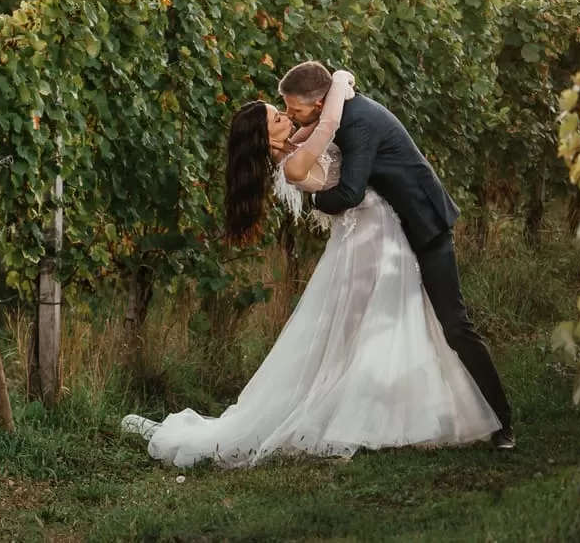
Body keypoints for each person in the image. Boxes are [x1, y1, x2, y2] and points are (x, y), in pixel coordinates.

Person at [120, 69, 504, 469]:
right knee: (365, 332)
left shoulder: (295, 145)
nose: (288, 117)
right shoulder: (293, 163)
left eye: (285, 111)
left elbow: (321, 124)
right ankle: (358, 417)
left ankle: (396, 412)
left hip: (380, 236)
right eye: (278, 116)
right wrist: (340, 81)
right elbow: (331, 125)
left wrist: (337, 89)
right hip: (366, 244)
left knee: (389, 327)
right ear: (266, 138)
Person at [280, 61, 514, 450]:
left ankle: (502, 421)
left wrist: (316, 200)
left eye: (295, 110)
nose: (291, 117)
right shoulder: (340, 113)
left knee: (454, 324)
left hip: (424, 226)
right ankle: (405, 416)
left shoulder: (357, 123)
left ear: (320, 104)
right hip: (394, 234)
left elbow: (351, 191)